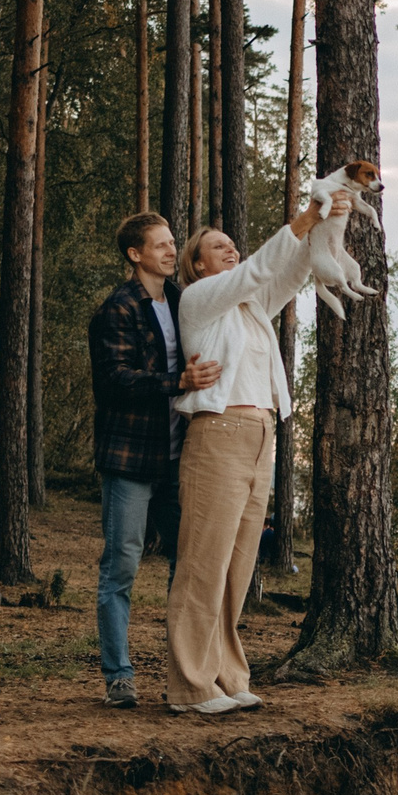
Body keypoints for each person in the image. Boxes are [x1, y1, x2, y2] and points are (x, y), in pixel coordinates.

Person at [160, 187, 353, 714]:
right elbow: (255, 271)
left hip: (261, 436)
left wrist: (321, 227)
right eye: (218, 247)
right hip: (218, 434)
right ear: (196, 267)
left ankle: (225, 674)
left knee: (238, 565)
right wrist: (304, 216)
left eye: (232, 245)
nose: (231, 251)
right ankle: (189, 687)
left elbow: (287, 274)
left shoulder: (251, 309)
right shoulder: (201, 300)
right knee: (204, 561)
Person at [87, 212, 221, 709]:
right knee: (120, 567)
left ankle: (182, 673)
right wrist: (176, 383)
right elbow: (113, 382)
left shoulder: (184, 302)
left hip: (177, 460)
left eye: (172, 244)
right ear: (135, 254)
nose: (171, 251)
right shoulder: (118, 309)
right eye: (160, 246)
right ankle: (119, 676)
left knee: (186, 566)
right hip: (129, 460)